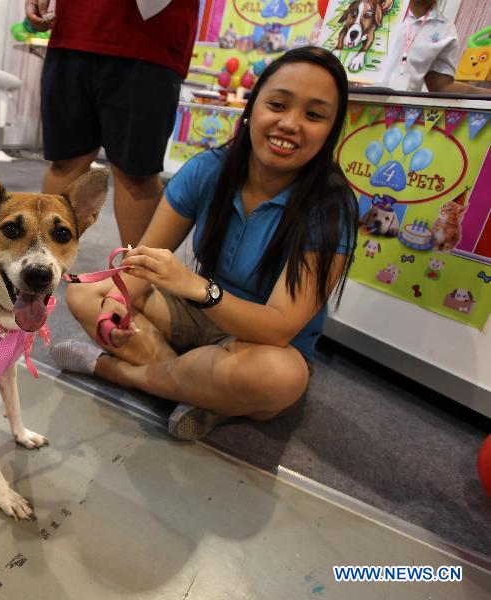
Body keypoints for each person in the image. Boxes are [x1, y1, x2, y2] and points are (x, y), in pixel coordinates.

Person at [50, 46, 359, 441]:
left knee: (280, 378)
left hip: (262, 343)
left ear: (331, 130)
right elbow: (139, 265)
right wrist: (119, 302)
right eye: (278, 105)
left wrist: (200, 289)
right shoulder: (209, 169)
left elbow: (280, 329)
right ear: (251, 110)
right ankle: (200, 391)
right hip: (198, 319)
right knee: (87, 294)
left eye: (314, 115)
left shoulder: (332, 206)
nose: (290, 124)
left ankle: (120, 372)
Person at [24, 0, 200, 248]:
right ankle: (40, 266)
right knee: (65, 162)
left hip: (149, 37)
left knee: (136, 172)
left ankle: (138, 281)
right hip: (73, 32)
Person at [385, 0, 490, 94]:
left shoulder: (445, 30)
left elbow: (441, 86)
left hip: (397, 111)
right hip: (368, 99)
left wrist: (484, 93)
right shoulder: (377, 7)